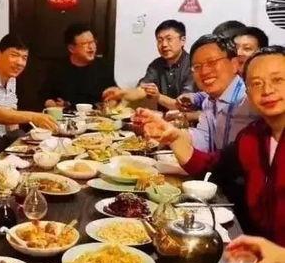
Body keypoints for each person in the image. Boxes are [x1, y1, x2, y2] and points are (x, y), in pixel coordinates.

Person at [137, 46, 285, 245]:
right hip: (257, 249)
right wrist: (174, 138)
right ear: (248, 92)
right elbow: (212, 167)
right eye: (256, 83)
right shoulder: (253, 137)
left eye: (278, 80)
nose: (267, 90)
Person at [0, 34, 58, 148]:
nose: (20, 63)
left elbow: (11, 115)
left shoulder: (11, 78)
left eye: (24, 57)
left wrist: (19, 142)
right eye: (14, 55)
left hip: (4, 140)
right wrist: (33, 117)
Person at [103, 20, 192, 111]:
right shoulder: (156, 64)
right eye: (160, 40)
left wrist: (158, 97)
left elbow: (185, 106)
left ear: (182, 40)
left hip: (190, 118)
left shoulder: (193, 65)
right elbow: (142, 90)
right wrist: (120, 93)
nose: (164, 44)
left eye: (169, 39)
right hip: (161, 117)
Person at [41, 23, 116, 108]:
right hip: (65, 115)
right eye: (85, 44)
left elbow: (114, 95)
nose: (91, 47)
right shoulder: (57, 68)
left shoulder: (104, 67)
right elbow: (44, 96)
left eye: (92, 42)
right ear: (71, 48)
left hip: (96, 115)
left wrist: (111, 103)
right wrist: (52, 104)